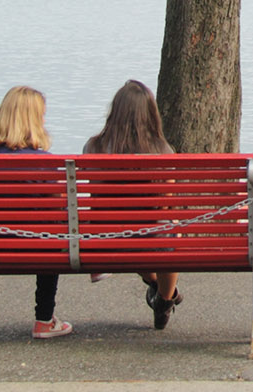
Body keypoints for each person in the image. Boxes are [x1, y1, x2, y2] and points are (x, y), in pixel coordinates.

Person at [82, 78, 184, 329]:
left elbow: (93, 199)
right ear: (151, 114)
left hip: (105, 238)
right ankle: (164, 299)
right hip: (150, 237)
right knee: (169, 233)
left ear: (114, 112)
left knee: (146, 234)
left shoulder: (92, 147)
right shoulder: (162, 150)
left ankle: (160, 290)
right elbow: (166, 205)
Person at [0, 85, 72, 340]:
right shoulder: (45, 161)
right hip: (35, 246)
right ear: (34, 120)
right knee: (52, 236)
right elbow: (60, 210)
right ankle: (43, 320)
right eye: (41, 115)